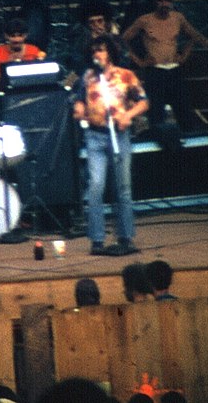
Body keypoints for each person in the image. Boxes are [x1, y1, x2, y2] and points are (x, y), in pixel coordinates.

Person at [72, 35, 149, 256]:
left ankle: (125, 237)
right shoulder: (87, 77)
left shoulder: (126, 75)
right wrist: (79, 108)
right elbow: (77, 98)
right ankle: (97, 240)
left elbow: (144, 101)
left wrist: (128, 115)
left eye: (102, 50)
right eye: (95, 51)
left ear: (111, 53)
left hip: (119, 135)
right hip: (95, 136)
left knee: (122, 188)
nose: (98, 54)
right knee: (96, 186)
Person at [121, 0, 208, 133]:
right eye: (161, 1)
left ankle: (188, 142)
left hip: (174, 70)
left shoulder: (178, 18)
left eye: (167, 1)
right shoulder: (144, 20)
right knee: (156, 113)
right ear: (155, 2)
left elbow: (194, 36)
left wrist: (184, 55)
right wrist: (140, 62)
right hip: (155, 72)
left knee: (183, 110)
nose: (164, 4)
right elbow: (123, 40)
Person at [0, 18, 46, 90]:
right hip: (7, 92)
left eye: (20, 35)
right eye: (13, 36)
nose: (17, 40)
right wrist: (7, 68)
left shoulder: (34, 51)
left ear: (25, 35)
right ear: (6, 36)